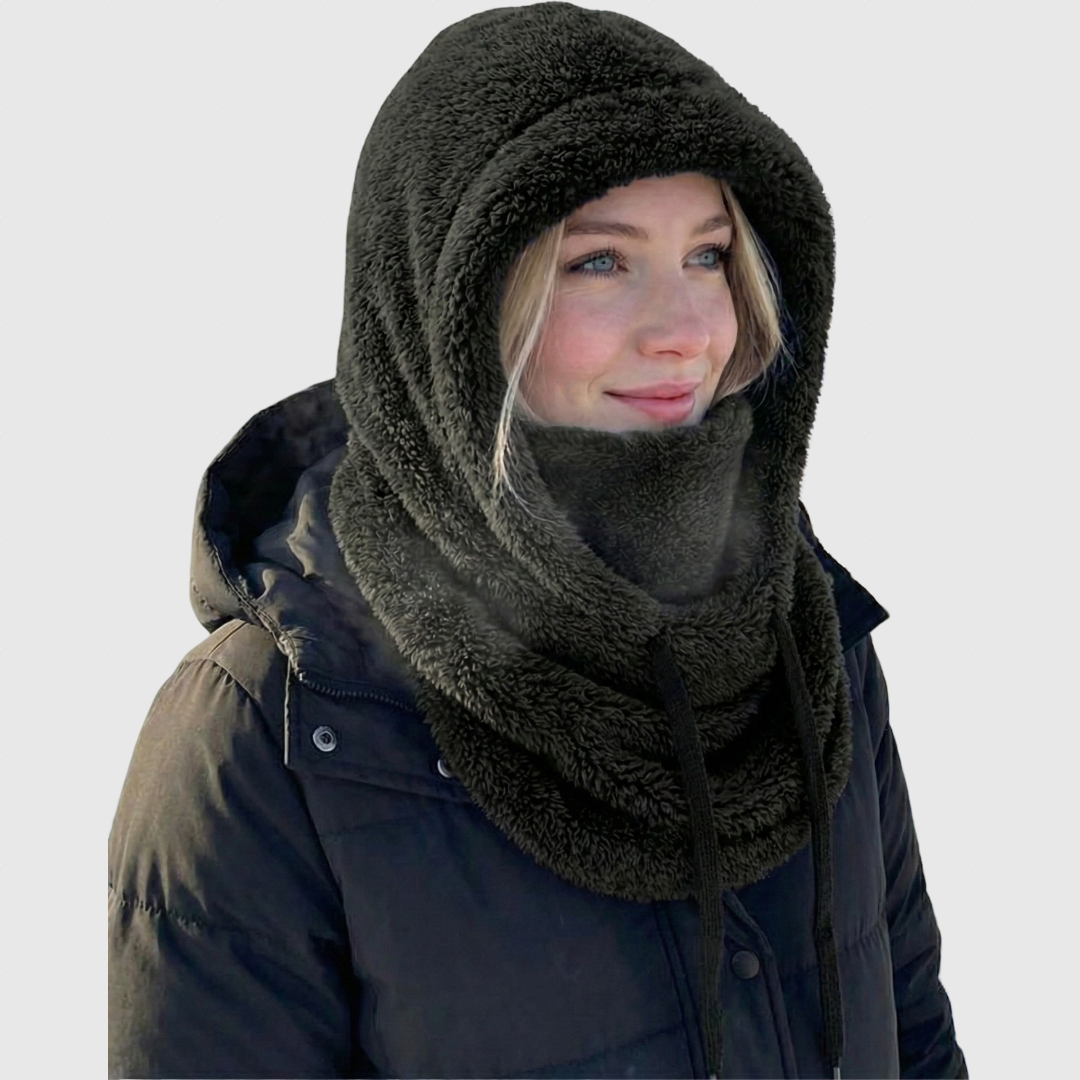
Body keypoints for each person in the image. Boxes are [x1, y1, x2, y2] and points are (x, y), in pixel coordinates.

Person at [107, 4, 968, 1078]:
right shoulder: (274, 728)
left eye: (708, 254)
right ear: (448, 302)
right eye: (598, 262)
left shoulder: (799, 627)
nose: (686, 329)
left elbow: (914, 1035)